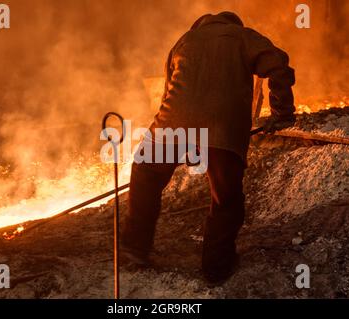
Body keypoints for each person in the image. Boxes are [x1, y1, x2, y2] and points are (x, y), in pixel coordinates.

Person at [121, 11, 296, 284]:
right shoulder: (243, 36)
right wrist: (282, 112)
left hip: (169, 126)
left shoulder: (184, 40)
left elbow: (170, 92)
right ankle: (216, 268)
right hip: (222, 132)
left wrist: (185, 145)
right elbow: (278, 66)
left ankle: (134, 248)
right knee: (226, 199)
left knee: (146, 176)